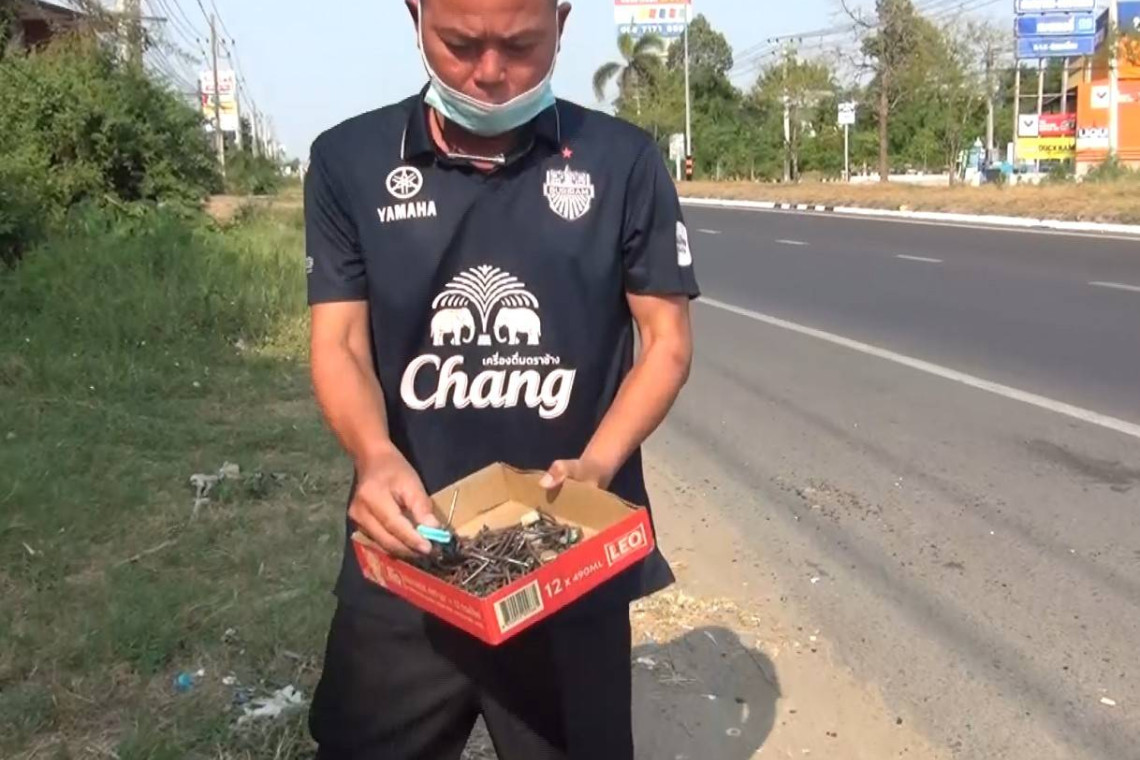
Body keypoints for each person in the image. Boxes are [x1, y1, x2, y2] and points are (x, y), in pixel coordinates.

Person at [303, 0, 699, 757]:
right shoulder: (349, 162)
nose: (489, 73)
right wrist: (374, 455)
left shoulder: (621, 162)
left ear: (562, 22)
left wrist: (596, 467)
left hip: (565, 559)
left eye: (520, 45)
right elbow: (340, 342)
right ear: (415, 16)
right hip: (410, 553)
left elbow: (666, 341)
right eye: (460, 44)